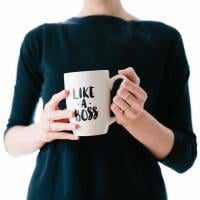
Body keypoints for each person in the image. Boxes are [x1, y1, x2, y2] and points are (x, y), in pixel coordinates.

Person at [4, 0, 197, 199]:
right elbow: (11, 139)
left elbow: (184, 156)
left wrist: (135, 119)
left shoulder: (164, 40)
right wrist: (43, 130)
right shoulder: (41, 40)